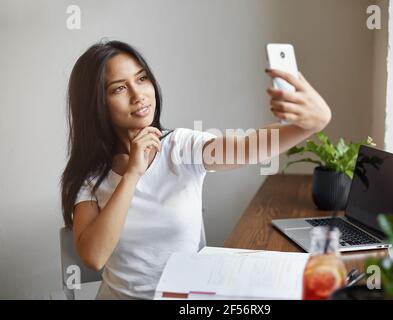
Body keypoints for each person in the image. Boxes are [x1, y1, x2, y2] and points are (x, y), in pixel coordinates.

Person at [60, 40, 332, 299]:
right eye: (119, 88)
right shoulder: (89, 176)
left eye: (142, 79)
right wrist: (132, 174)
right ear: (97, 103)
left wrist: (310, 124)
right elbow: (94, 256)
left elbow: (249, 147)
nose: (138, 95)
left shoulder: (180, 146)